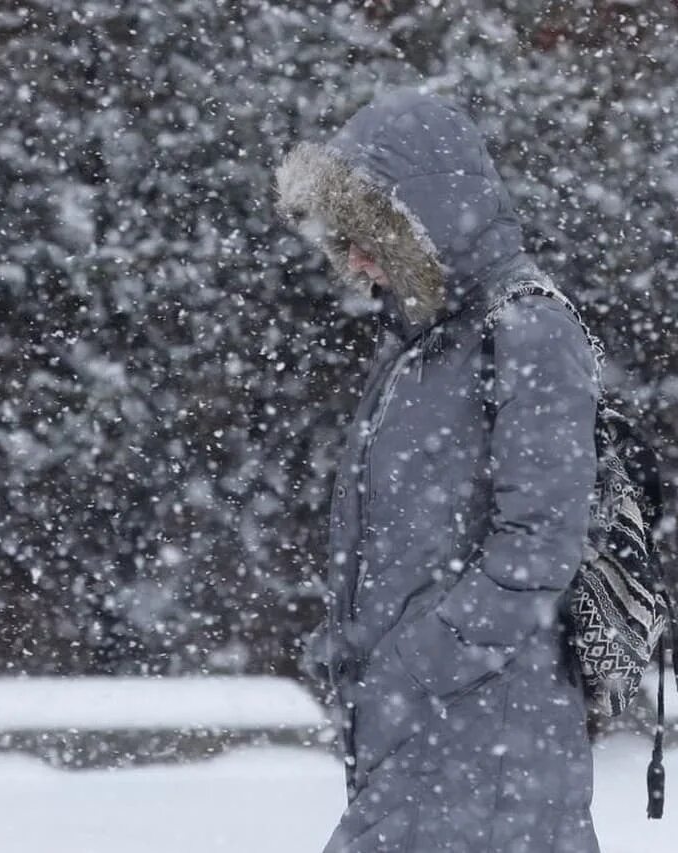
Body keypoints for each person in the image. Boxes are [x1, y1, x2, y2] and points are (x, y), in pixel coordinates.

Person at [274, 86, 601, 853]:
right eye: (344, 236)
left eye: (368, 235)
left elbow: (539, 543)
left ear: (423, 227)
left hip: (484, 736)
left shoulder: (525, 330)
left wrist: (421, 665)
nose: (352, 259)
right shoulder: (423, 347)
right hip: (430, 737)